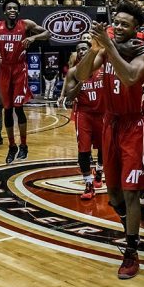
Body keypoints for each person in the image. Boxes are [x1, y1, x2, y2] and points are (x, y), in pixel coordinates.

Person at [75, 1, 144, 279]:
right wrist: (94, 48)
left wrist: (107, 45)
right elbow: (82, 75)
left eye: (125, 24)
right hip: (111, 123)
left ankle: (132, 251)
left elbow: (131, 76)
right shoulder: (106, 47)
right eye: (116, 22)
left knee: (130, 189)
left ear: (135, 28)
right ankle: (131, 224)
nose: (118, 27)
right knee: (113, 195)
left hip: (135, 124)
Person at [0, 0, 50, 164]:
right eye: (9, 8)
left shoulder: (26, 24)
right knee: (7, 109)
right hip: (4, 69)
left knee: (18, 108)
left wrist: (34, 38)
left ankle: (24, 145)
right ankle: (12, 146)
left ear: (18, 11)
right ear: (5, 11)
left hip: (19, 69)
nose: (12, 10)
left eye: (15, 8)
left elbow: (47, 33)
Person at [64, 41, 105, 200]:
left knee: (103, 148)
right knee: (83, 150)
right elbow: (69, 97)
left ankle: (99, 172)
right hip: (84, 114)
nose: (81, 51)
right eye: (79, 49)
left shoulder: (102, 69)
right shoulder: (73, 72)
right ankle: (88, 184)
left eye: (84, 49)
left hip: (103, 113)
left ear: (91, 52)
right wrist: (81, 82)